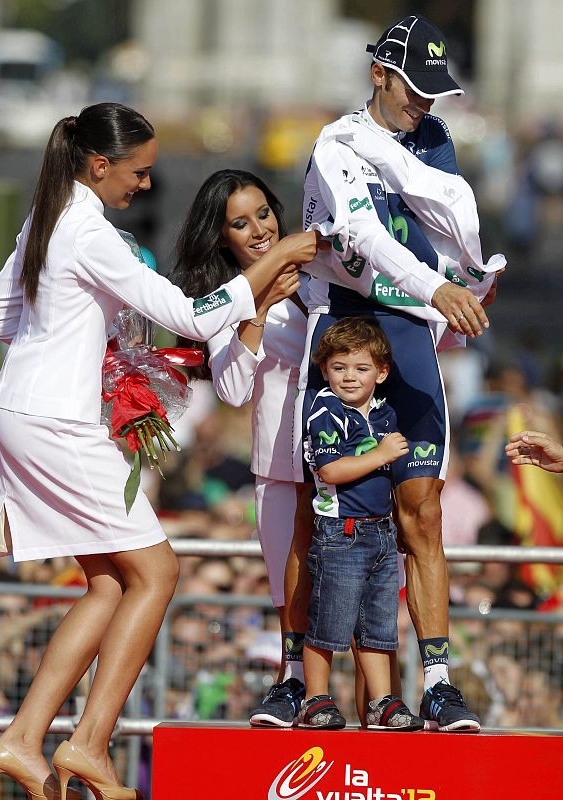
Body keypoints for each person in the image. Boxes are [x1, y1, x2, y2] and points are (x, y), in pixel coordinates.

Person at [0, 103, 320, 800]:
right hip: (55, 420)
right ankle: (87, 745)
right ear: (100, 165)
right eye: (138, 172)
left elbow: (0, 316)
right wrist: (282, 257)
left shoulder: (47, 217)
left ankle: (23, 740)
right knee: (158, 573)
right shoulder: (85, 228)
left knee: (114, 582)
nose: (145, 185)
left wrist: (75, 343)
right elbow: (191, 318)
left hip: (25, 409)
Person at [291, 15, 502, 732]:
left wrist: (468, 279)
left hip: (408, 330)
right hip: (349, 322)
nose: (428, 103)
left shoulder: (434, 136)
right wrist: (435, 286)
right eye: (416, 87)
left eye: (437, 90)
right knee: (325, 515)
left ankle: (436, 683)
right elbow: (364, 234)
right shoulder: (336, 143)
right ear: (378, 73)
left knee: (422, 511)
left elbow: (445, 222)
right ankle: (305, 684)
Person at [168, 169, 325, 727]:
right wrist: (256, 312)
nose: (259, 229)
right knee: (292, 595)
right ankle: (295, 687)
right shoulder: (220, 302)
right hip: (279, 467)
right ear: (222, 235)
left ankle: (377, 705)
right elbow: (233, 390)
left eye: (264, 213)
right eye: (241, 222)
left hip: (347, 464)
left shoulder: (321, 272)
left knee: (358, 593)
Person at [298, 316, 423, 731]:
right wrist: (382, 454)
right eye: (339, 367)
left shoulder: (384, 414)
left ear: (381, 372)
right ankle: (315, 699)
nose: (350, 376)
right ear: (324, 370)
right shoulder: (325, 410)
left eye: (361, 368)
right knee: (328, 623)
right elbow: (330, 471)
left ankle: (382, 701)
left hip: (381, 532)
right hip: (342, 533)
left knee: (379, 626)